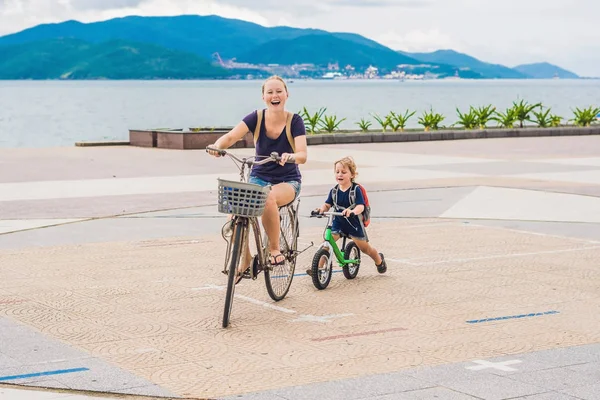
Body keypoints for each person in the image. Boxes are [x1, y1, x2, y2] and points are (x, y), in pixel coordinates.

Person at [208, 75, 307, 281]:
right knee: (235, 212)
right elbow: (231, 137)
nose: (274, 95)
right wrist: (218, 146)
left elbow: (303, 155)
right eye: (269, 92)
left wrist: (291, 157)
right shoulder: (256, 118)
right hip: (259, 177)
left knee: (267, 197)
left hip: (288, 181)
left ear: (286, 94)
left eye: (279, 91)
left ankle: (273, 250)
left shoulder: (294, 121)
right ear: (263, 97)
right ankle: (244, 259)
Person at [313, 156, 387, 274]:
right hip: (338, 223)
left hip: (353, 224)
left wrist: (352, 212)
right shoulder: (334, 191)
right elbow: (327, 204)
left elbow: (360, 206)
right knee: (326, 245)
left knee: (365, 248)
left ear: (352, 175)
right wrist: (321, 209)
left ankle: (379, 260)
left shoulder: (355, 190)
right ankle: (318, 269)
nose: (340, 175)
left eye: (343, 172)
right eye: (337, 172)